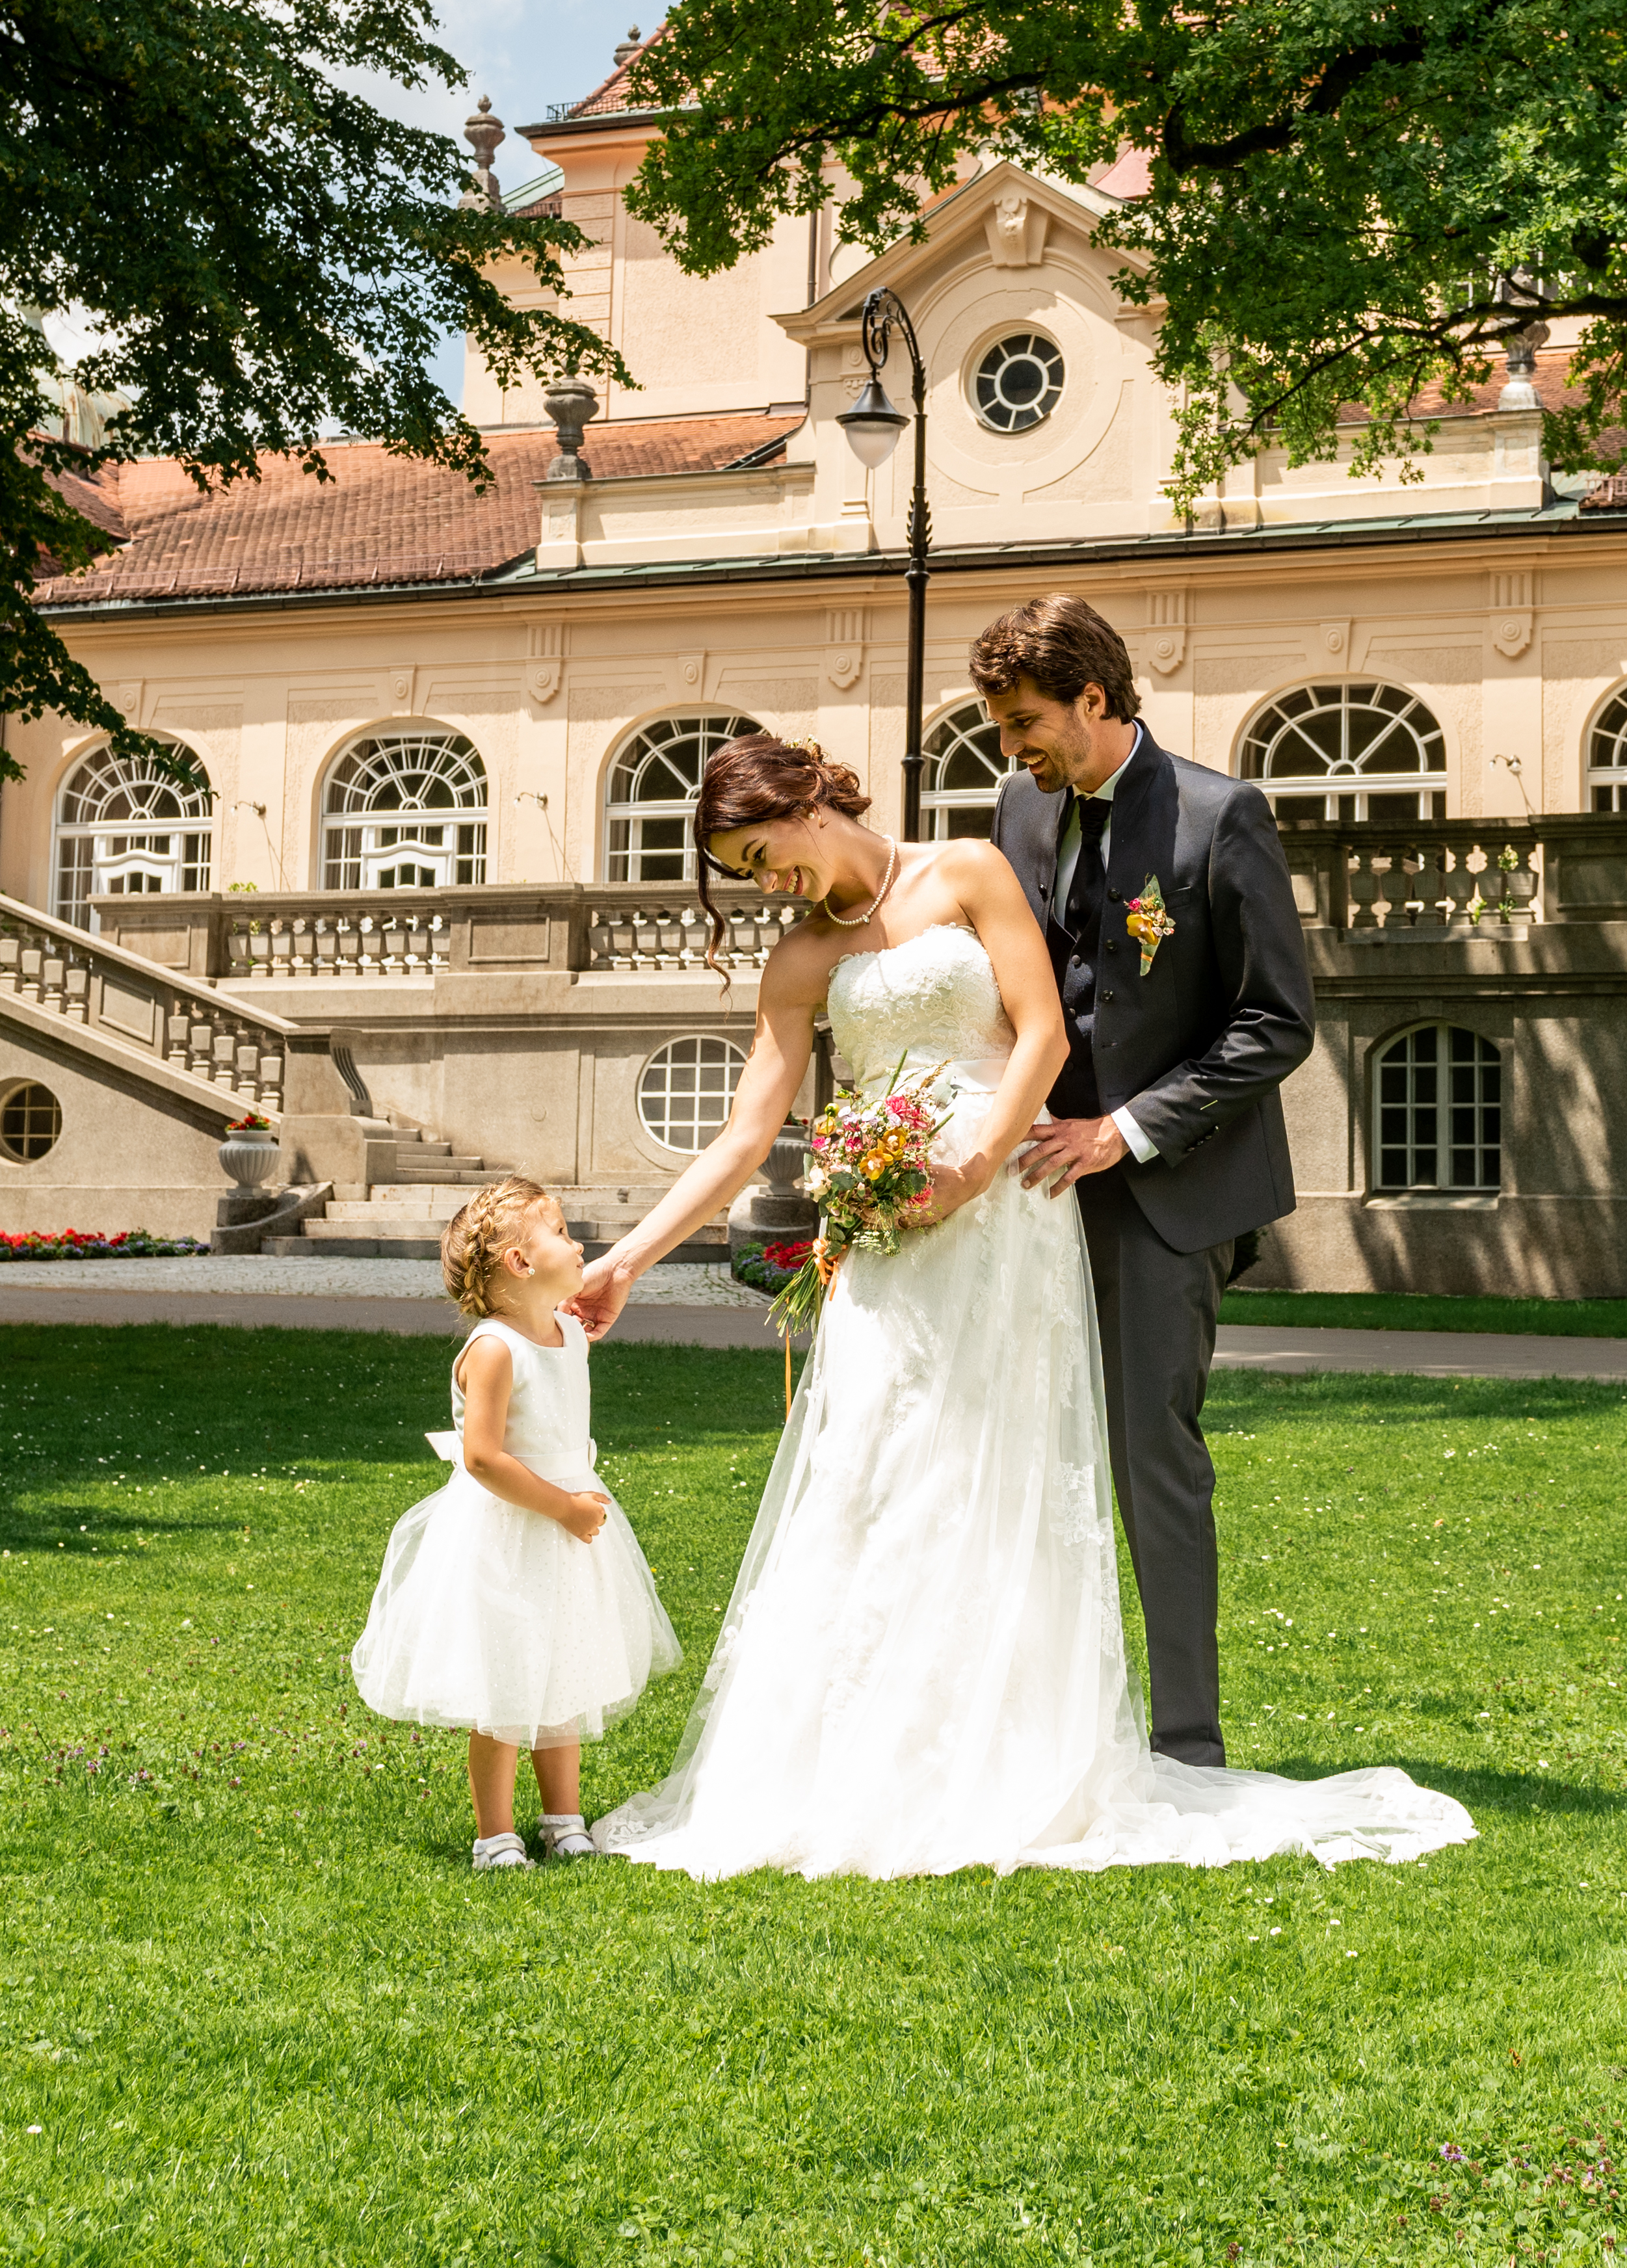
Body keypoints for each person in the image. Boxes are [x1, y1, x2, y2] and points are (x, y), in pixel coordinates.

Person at [570, 732, 1469, 1880]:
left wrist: (976, 1164)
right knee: (877, 1468)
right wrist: (627, 1259)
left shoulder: (969, 870)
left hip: (1006, 1211)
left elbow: (1042, 1032)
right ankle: (866, 1759)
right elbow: (751, 1129)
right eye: (744, 873)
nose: (768, 884)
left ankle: (1016, 1749)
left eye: (764, 853)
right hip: (894, 1239)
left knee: (1003, 1470)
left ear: (808, 798)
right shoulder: (797, 960)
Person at [977, 590, 1314, 1769]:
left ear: (1093, 695)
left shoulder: (1222, 817)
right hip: (1027, 1192)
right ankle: (1041, 1729)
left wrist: (1124, 1130)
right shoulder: (1016, 809)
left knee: (1145, 1456)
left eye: (1026, 721)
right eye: (1000, 729)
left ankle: (1184, 1747)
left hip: (1164, 1199)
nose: (1012, 748)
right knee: (1016, 1447)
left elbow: (1275, 1022)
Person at [351, 1177, 680, 1871]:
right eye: (560, 1232)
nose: (579, 1242)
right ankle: (494, 1833)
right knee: (504, 1682)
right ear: (519, 1264)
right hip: (509, 1532)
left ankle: (564, 1817)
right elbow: (481, 1456)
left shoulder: (567, 1331)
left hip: (567, 1528)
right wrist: (563, 1506)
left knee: (562, 1669)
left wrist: (574, 1506)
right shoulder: (495, 1349)